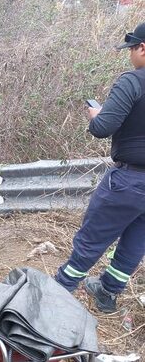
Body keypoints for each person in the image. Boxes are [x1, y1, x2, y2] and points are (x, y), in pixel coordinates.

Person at [55, 22, 145, 313]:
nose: (130, 55)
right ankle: (107, 292)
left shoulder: (133, 81)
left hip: (129, 180)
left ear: (142, 48)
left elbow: (103, 128)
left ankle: (58, 293)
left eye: (131, 48)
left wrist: (96, 114)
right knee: (136, 241)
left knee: (92, 238)